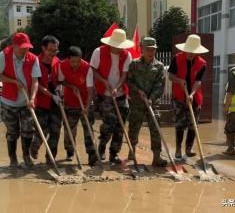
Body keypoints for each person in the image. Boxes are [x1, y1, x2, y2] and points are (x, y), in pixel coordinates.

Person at [90, 29, 133, 164]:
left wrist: (117, 87)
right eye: (117, 46)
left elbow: (124, 75)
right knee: (110, 122)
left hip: (120, 93)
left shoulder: (127, 55)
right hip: (104, 93)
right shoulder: (99, 52)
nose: (120, 49)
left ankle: (113, 153)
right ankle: (101, 148)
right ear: (111, 44)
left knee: (120, 125)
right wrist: (104, 82)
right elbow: (93, 70)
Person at [0, 32, 41, 168]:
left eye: (27, 47)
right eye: (22, 47)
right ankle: (13, 158)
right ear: (13, 46)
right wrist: (13, 81)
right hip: (8, 101)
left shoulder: (33, 59)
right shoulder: (3, 56)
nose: (25, 50)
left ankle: (26, 157)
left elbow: (35, 81)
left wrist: (33, 98)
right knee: (12, 132)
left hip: (26, 101)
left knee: (28, 130)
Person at [127, 37, 167, 167]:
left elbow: (160, 85)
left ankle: (157, 157)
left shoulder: (159, 66)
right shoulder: (134, 64)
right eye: (148, 49)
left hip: (152, 103)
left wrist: (151, 98)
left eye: (153, 50)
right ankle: (131, 152)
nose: (150, 52)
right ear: (142, 50)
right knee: (134, 127)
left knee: (156, 128)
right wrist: (138, 91)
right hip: (137, 102)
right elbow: (129, 81)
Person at [168, 34, 208, 160]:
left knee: (193, 125)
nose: (190, 53)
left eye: (193, 52)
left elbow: (198, 81)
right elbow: (170, 76)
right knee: (180, 124)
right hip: (179, 97)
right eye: (188, 51)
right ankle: (178, 149)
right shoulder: (177, 59)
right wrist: (179, 80)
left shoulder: (202, 63)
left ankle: (189, 148)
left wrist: (192, 94)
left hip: (195, 98)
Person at [59, 46, 96, 166]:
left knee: (88, 129)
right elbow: (61, 81)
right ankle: (70, 152)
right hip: (70, 102)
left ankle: (91, 154)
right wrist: (71, 86)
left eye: (78, 61)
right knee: (69, 129)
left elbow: (91, 89)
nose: (76, 64)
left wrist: (87, 107)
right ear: (68, 59)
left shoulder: (87, 68)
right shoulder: (62, 65)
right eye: (73, 61)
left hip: (85, 101)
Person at [30, 35, 62, 164]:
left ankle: (50, 158)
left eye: (55, 50)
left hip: (56, 102)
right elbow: (37, 84)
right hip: (41, 102)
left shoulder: (57, 62)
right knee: (42, 130)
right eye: (50, 50)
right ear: (43, 48)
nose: (53, 53)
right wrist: (51, 96)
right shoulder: (35, 62)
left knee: (55, 131)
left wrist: (59, 91)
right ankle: (35, 147)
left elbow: (60, 80)